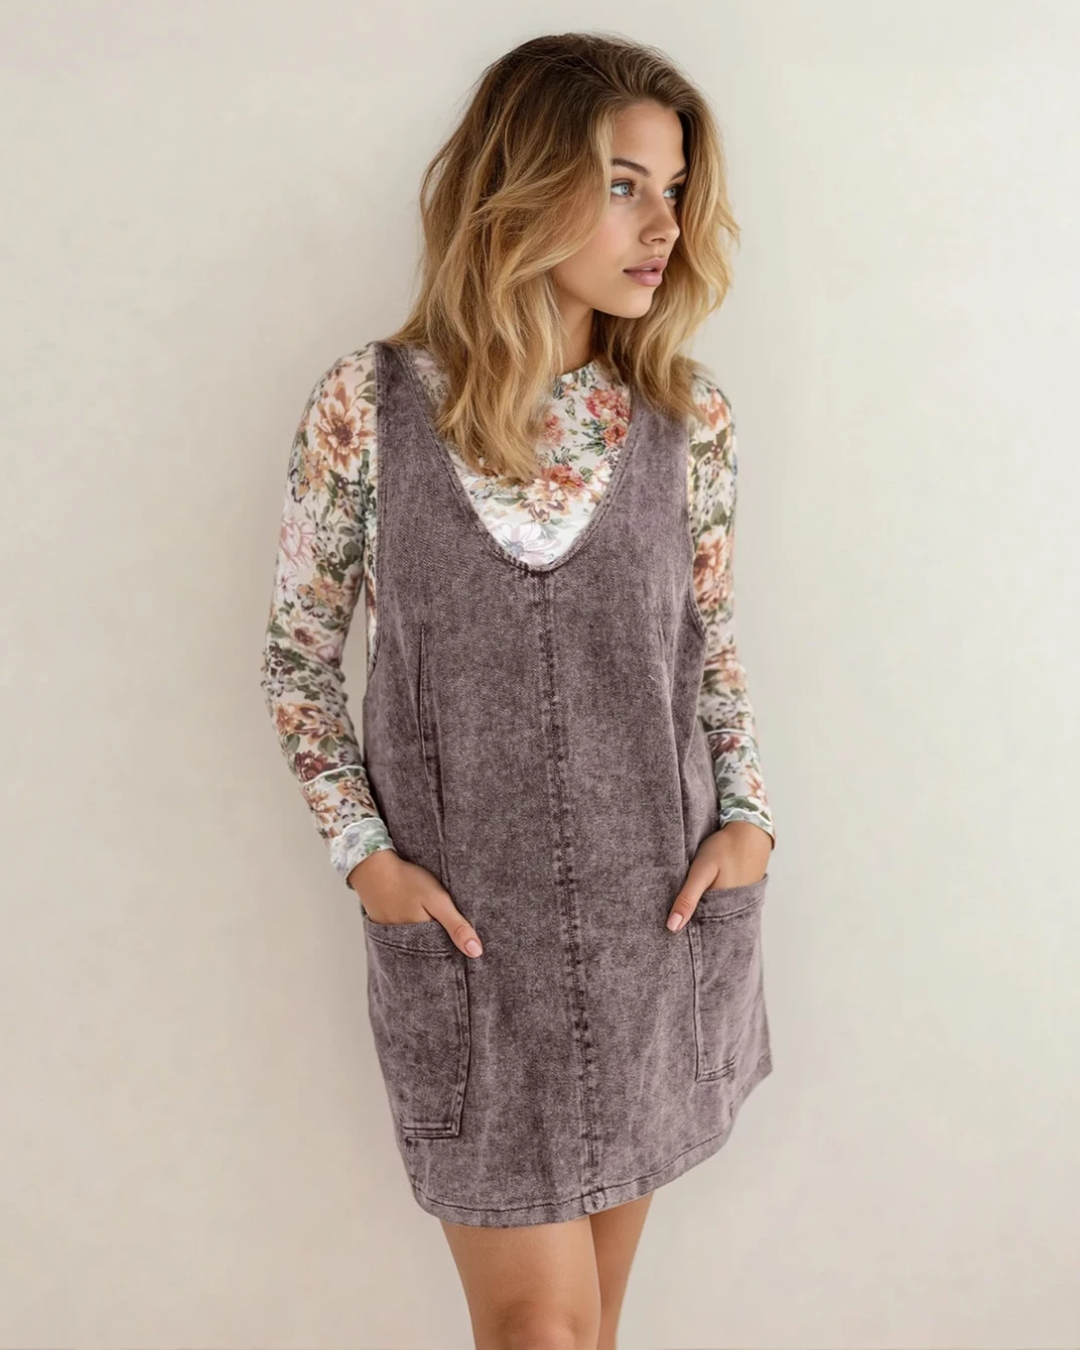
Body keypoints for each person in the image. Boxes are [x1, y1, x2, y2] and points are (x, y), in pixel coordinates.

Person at [260, 31, 776, 1349]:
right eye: (621, 184)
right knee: (540, 1325)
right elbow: (300, 654)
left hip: (654, 929)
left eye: (674, 189)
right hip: (473, 959)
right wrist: (365, 857)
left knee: (588, 1331)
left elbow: (710, 643)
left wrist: (750, 818)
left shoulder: (687, 418)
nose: (662, 225)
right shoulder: (370, 406)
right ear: (522, 185)